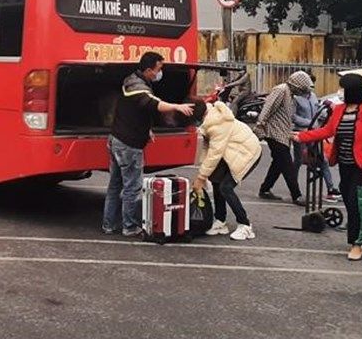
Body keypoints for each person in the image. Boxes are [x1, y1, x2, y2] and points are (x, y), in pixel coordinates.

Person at [294, 72, 362, 261]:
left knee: (354, 204)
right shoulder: (339, 110)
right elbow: (327, 130)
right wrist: (301, 136)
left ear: (352, 90)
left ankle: (356, 244)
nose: (340, 92)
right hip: (345, 164)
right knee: (348, 199)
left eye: (343, 88)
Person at [103, 52, 197, 236]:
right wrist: (177, 106)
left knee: (115, 186)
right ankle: (129, 226)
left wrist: (147, 130)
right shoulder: (138, 87)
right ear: (148, 70)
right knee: (132, 187)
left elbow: (135, 111)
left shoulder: (132, 80)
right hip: (128, 144)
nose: (160, 73)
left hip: (117, 139)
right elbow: (154, 104)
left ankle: (109, 224)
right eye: (158, 69)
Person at [191, 100, 263, 241]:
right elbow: (207, 148)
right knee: (216, 180)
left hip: (247, 153)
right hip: (233, 151)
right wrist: (202, 173)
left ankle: (245, 225)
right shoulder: (210, 119)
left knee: (226, 187)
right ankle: (220, 221)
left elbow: (215, 153)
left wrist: (201, 178)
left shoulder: (217, 124)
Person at [255, 70, 314, 205]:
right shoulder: (281, 90)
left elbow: (287, 116)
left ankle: (265, 189)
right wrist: (260, 126)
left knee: (278, 163)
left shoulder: (291, 95)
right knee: (287, 164)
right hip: (274, 133)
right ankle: (296, 195)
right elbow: (267, 109)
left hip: (283, 133)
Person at [292, 80, 337, 201]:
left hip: (314, 133)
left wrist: (325, 112)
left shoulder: (313, 96)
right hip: (300, 132)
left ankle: (331, 188)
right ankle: (294, 189)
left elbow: (318, 111)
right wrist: (309, 123)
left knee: (323, 160)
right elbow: (293, 117)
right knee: (298, 161)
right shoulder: (295, 98)